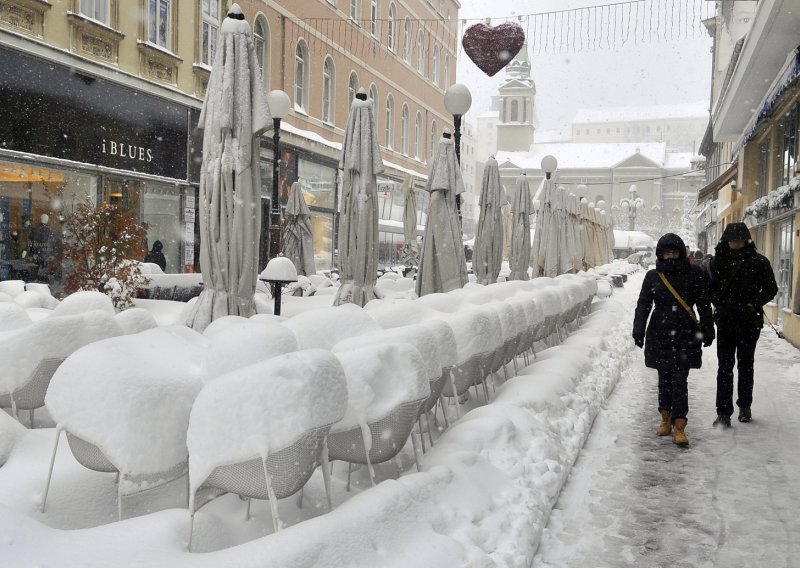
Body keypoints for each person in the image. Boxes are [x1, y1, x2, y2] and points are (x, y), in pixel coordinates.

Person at [632, 233, 715, 447]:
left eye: (674, 252)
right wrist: (638, 330)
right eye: (667, 252)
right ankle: (665, 418)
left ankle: (680, 425)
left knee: (680, 380)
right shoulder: (653, 276)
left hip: (685, 333)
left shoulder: (694, 273)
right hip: (660, 332)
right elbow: (643, 305)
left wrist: (708, 329)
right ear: (660, 253)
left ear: (680, 253)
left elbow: (704, 304)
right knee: (664, 380)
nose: (671, 256)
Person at [709, 222, 778, 427]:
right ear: (726, 240)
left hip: (749, 322)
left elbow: (771, 289)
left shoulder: (760, 262)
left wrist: (752, 303)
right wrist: (720, 304)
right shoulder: (717, 262)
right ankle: (723, 412)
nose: (735, 243)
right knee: (725, 368)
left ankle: (745, 406)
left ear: (745, 240)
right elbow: (709, 288)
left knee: (746, 365)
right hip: (726, 322)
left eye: (738, 240)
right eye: (732, 240)